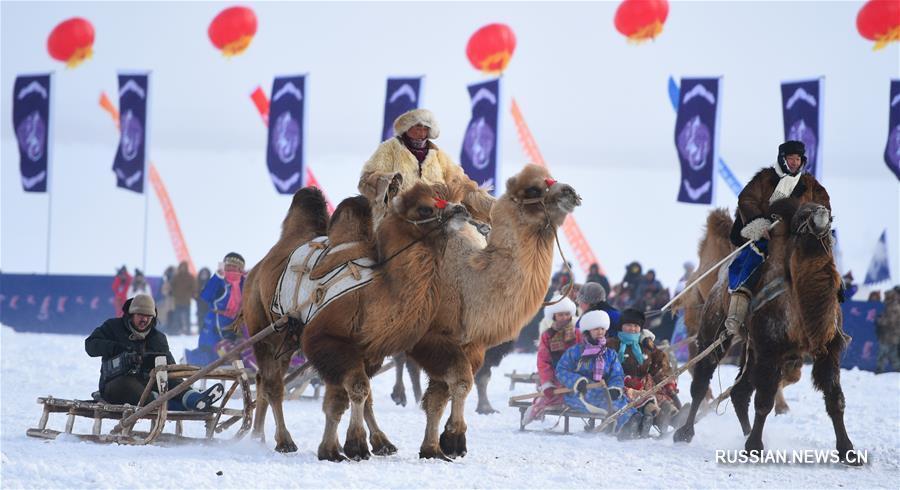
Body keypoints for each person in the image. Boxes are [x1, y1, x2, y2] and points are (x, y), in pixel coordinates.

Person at [724, 140, 830, 336]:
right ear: (783, 159)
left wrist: (819, 221)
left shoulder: (809, 185)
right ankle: (736, 312)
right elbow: (746, 199)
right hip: (767, 236)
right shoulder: (765, 178)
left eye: (798, 159)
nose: (794, 162)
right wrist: (758, 222)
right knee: (747, 263)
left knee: (823, 270)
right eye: (791, 158)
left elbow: (823, 205)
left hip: (798, 238)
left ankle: (829, 323)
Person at [85, 293, 224, 411]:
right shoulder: (112, 327)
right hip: (116, 384)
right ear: (131, 313)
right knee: (126, 386)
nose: (144, 319)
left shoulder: (158, 338)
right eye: (140, 315)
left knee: (171, 378)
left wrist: (179, 384)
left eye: (148, 316)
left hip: (150, 383)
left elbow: (171, 369)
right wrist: (116, 348)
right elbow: (90, 346)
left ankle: (194, 398)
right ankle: (177, 405)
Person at [358, 108, 493, 226]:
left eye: (425, 129)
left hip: (438, 217)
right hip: (399, 218)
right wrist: (388, 184)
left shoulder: (439, 155)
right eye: (417, 128)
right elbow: (366, 181)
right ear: (406, 128)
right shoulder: (389, 149)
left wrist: (493, 207)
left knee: (472, 237)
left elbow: (462, 184)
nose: (421, 133)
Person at [556, 310, 645, 439]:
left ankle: (635, 421)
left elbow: (617, 374)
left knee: (620, 402)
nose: (600, 332)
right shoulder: (576, 351)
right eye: (596, 329)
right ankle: (626, 425)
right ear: (588, 331)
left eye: (602, 329)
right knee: (609, 405)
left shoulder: (609, 354)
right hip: (580, 393)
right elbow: (561, 370)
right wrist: (577, 381)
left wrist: (615, 388)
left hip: (604, 392)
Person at [607, 308, 679, 435]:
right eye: (628, 325)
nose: (632, 329)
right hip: (622, 384)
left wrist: (666, 382)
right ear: (621, 326)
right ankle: (654, 416)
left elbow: (659, 365)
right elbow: (608, 368)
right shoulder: (613, 344)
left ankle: (674, 416)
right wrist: (626, 379)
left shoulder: (645, 345)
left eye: (636, 326)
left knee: (657, 390)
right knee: (642, 395)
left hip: (645, 386)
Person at [522, 295, 580, 425]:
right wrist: (547, 382)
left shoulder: (577, 333)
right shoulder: (547, 335)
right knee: (550, 395)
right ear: (554, 316)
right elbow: (543, 360)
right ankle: (536, 408)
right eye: (560, 315)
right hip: (555, 375)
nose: (564, 318)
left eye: (566, 314)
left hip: (574, 374)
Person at [186, 253, 246, 366]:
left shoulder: (244, 283)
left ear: (240, 268)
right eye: (229, 266)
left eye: (235, 267)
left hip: (234, 325)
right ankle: (189, 359)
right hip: (214, 325)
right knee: (209, 356)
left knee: (231, 354)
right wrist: (218, 276)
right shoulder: (220, 281)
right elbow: (206, 296)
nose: (231, 269)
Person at [875, 286, 900, 373]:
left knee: (883, 353)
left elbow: (891, 320)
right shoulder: (892, 306)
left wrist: (880, 320)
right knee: (893, 354)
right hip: (891, 334)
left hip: (890, 335)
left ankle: (880, 369)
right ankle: (897, 368)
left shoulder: (894, 307)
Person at [170, 261, 196, 335]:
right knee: (176, 317)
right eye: (181, 267)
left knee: (187, 316)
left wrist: (191, 294)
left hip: (186, 300)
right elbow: (172, 286)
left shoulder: (190, 277)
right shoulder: (176, 277)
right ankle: (176, 330)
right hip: (177, 300)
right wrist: (174, 293)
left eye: (184, 267)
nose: (183, 269)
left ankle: (188, 331)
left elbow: (193, 287)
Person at [195, 267, 212, 332]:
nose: (204, 275)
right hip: (200, 303)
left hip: (207, 303)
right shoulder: (197, 282)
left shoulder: (210, 282)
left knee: (207, 317)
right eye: (203, 274)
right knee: (200, 316)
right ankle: (200, 329)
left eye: (205, 274)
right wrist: (196, 296)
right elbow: (195, 292)